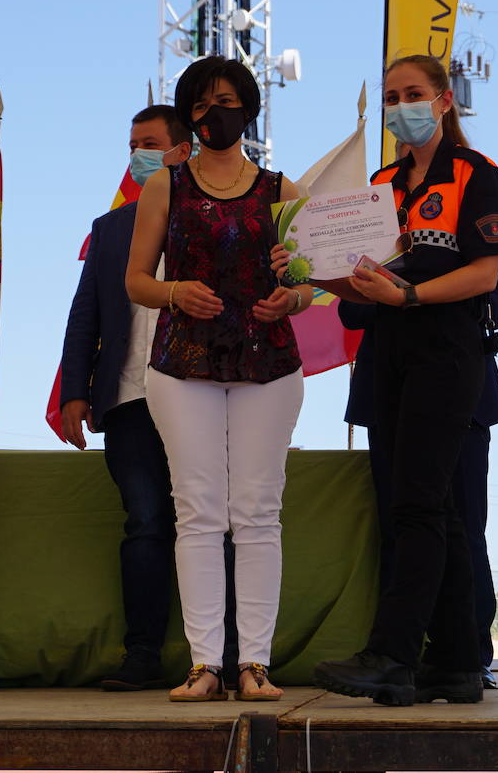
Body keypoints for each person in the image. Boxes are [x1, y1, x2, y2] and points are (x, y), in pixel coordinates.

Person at [310, 54, 498, 706]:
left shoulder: (475, 174)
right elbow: (359, 282)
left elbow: (485, 275)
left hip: (448, 350)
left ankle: (394, 655)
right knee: (438, 511)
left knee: (419, 506)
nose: (401, 105)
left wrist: (408, 298)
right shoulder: (379, 184)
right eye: (392, 95)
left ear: (443, 102)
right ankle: (455, 662)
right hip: (389, 353)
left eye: (414, 94)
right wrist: (305, 271)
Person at [125, 56, 308, 702]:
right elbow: (136, 280)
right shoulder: (164, 187)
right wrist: (174, 290)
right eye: (201, 105)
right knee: (197, 513)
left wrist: (292, 297)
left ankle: (254, 664)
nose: (214, 114)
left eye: (226, 102)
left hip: (269, 366)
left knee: (258, 514)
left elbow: (308, 284)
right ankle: (206, 665)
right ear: (189, 116)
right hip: (184, 366)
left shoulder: (284, 190)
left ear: (250, 109)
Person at [58, 105, 193, 690]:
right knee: (145, 524)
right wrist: (73, 392)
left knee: (209, 525)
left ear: (181, 152)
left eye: (150, 144)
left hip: (199, 393)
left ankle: (225, 655)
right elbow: (83, 315)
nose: (137, 154)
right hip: (128, 398)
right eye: (132, 144)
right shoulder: (110, 228)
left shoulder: (211, 218)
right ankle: (141, 655)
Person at [340, 253, 498, 691]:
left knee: (465, 529)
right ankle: (402, 659)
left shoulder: (460, 235)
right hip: (388, 395)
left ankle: (468, 654)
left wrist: (409, 295)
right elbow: (351, 309)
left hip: (460, 391)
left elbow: (496, 307)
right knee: (403, 526)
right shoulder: (374, 239)